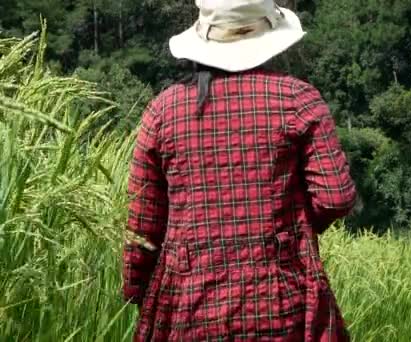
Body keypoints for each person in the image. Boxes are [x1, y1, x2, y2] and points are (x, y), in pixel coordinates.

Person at [122, 0, 357, 341]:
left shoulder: (164, 111)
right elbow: (336, 197)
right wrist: (289, 232)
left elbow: (142, 227)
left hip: (187, 306)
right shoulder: (299, 100)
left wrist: (136, 289)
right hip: (282, 300)